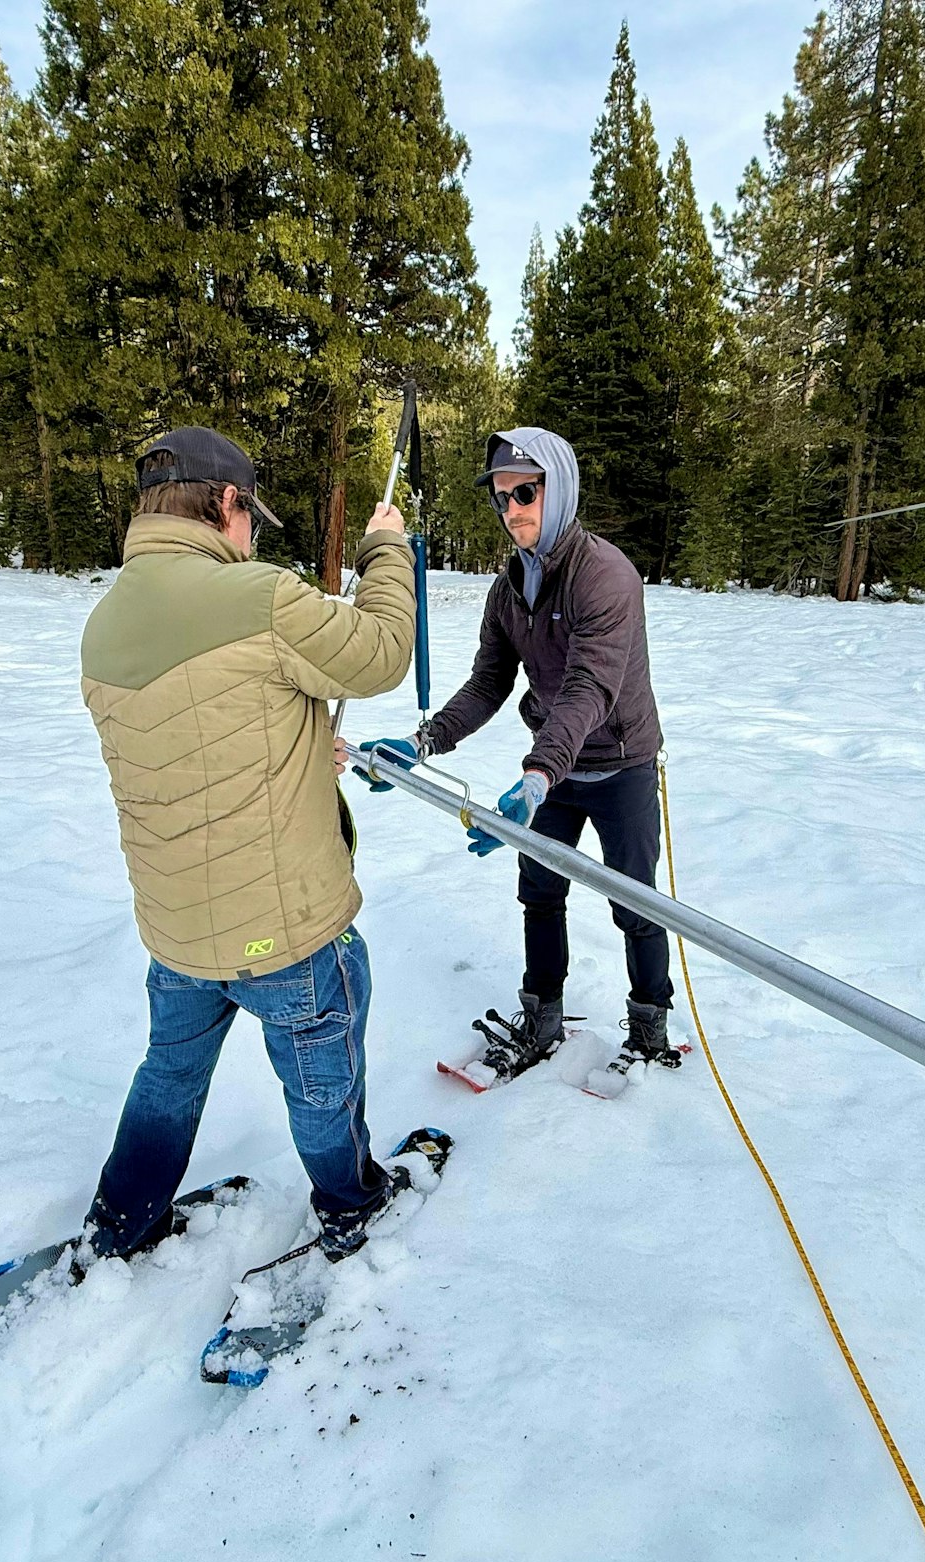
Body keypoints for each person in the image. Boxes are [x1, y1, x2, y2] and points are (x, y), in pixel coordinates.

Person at [79, 426, 419, 1263]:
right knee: (320, 1072)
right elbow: (380, 656)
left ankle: (124, 1218)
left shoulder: (103, 624)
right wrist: (387, 551)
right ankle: (348, 1202)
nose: (252, 537)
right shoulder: (259, 598)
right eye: (250, 518)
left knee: (169, 1071)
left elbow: (209, 733)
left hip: (178, 931)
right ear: (227, 503)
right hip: (282, 927)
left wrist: (300, 737)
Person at [358, 427, 676, 1080]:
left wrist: (536, 775)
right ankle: (544, 1013)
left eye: (524, 493)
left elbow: (590, 688)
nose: (512, 511)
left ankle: (649, 1020)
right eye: (502, 499)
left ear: (556, 490)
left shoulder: (606, 577)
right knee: (539, 888)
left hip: (621, 762)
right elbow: (488, 682)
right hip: (553, 766)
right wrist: (424, 742)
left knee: (635, 901)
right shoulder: (508, 590)